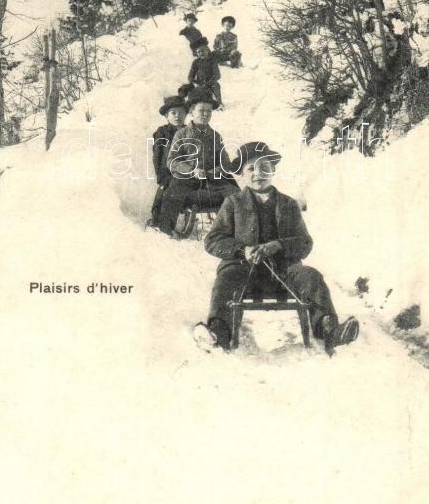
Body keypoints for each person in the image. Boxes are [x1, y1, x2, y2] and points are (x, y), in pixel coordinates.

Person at [194, 141, 359, 355]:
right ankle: (219, 332)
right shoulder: (233, 203)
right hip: (243, 271)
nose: (258, 173)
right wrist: (242, 250)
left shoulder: (288, 204)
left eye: (264, 167)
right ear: (242, 174)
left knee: (311, 277)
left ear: (273, 169)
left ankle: (329, 329)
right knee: (225, 279)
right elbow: (213, 240)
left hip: (284, 273)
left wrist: (279, 245)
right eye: (251, 169)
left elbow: (305, 242)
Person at [157, 88, 238, 237]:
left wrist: (216, 171)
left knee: (237, 195)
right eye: (201, 110)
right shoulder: (181, 134)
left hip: (213, 180)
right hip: (186, 180)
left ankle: (236, 231)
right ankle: (166, 232)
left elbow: (225, 162)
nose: (205, 114)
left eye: (209, 111)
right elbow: (172, 161)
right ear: (192, 112)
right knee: (171, 194)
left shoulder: (215, 136)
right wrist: (191, 170)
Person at [147, 96, 188, 227]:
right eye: (173, 113)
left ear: (186, 114)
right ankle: (157, 220)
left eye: (181, 113)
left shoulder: (190, 131)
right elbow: (158, 156)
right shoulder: (162, 132)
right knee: (164, 191)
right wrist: (162, 177)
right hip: (168, 172)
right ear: (166, 116)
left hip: (187, 171)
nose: (177, 116)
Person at [188, 37, 223, 109]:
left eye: (203, 51)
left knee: (215, 86)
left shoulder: (212, 61)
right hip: (199, 83)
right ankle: (190, 105)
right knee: (188, 88)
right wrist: (194, 82)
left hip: (210, 83)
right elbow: (191, 75)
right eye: (199, 52)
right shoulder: (196, 62)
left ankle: (219, 104)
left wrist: (209, 83)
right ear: (196, 53)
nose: (201, 53)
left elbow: (217, 75)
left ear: (207, 50)